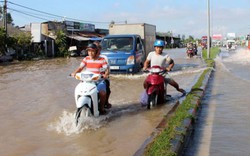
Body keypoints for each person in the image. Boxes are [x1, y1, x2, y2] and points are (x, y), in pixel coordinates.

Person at [71, 43, 109, 115]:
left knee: (102, 93)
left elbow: (106, 69)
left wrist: (105, 75)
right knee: (79, 90)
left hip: (98, 81)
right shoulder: (86, 59)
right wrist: (74, 73)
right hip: (87, 81)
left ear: (96, 51)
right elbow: (80, 68)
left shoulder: (102, 59)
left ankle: (101, 108)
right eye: (89, 51)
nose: (90, 53)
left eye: (92, 51)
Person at [93, 41, 112, 109]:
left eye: (97, 48)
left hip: (101, 78)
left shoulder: (103, 58)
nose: (95, 49)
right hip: (90, 79)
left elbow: (107, 69)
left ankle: (104, 104)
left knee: (106, 88)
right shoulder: (87, 58)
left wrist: (105, 74)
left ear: (100, 49)